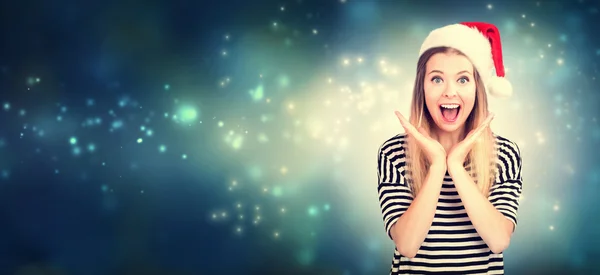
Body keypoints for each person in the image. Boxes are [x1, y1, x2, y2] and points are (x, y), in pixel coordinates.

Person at [377, 22, 523, 274]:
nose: (449, 92)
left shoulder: (505, 154)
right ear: (422, 87)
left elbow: (499, 240)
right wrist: (437, 165)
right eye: (437, 79)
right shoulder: (393, 153)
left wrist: (455, 165)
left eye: (463, 79)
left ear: (477, 89)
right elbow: (408, 245)